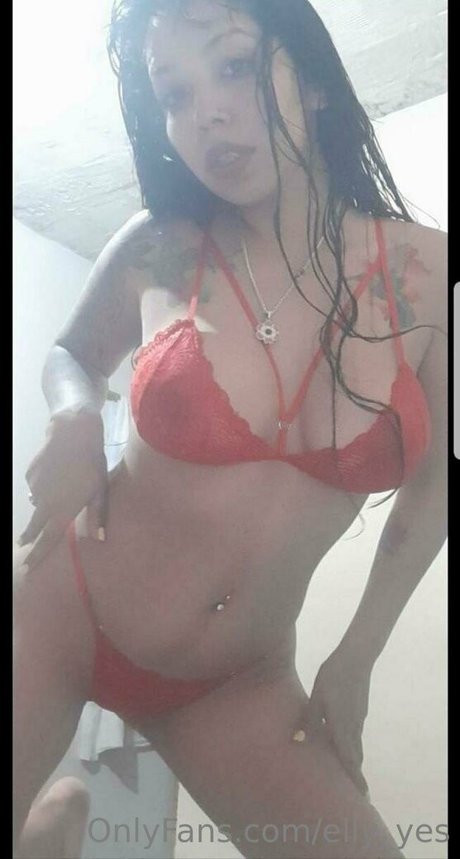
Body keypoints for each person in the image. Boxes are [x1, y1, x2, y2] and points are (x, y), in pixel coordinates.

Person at [13, 1, 447, 857]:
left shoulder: (430, 277)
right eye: (173, 93)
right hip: (65, 609)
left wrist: (358, 652)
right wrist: (74, 415)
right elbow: (71, 354)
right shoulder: (161, 245)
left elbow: (440, 477)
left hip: (235, 684)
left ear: (313, 81)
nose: (205, 113)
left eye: (235, 66)